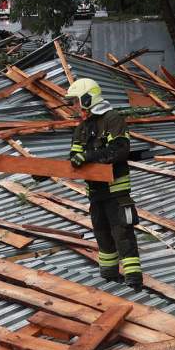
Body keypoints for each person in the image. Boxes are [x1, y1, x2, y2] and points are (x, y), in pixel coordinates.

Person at [61, 78, 142, 289]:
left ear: (87, 99)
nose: (74, 106)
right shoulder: (82, 128)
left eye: (76, 101)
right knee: (102, 234)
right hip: (95, 192)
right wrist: (44, 173)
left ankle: (134, 280)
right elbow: (73, 159)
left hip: (116, 191)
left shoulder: (112, 119)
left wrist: (88, 157)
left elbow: (120, 149)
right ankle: (109, 276)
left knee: (122, 234)